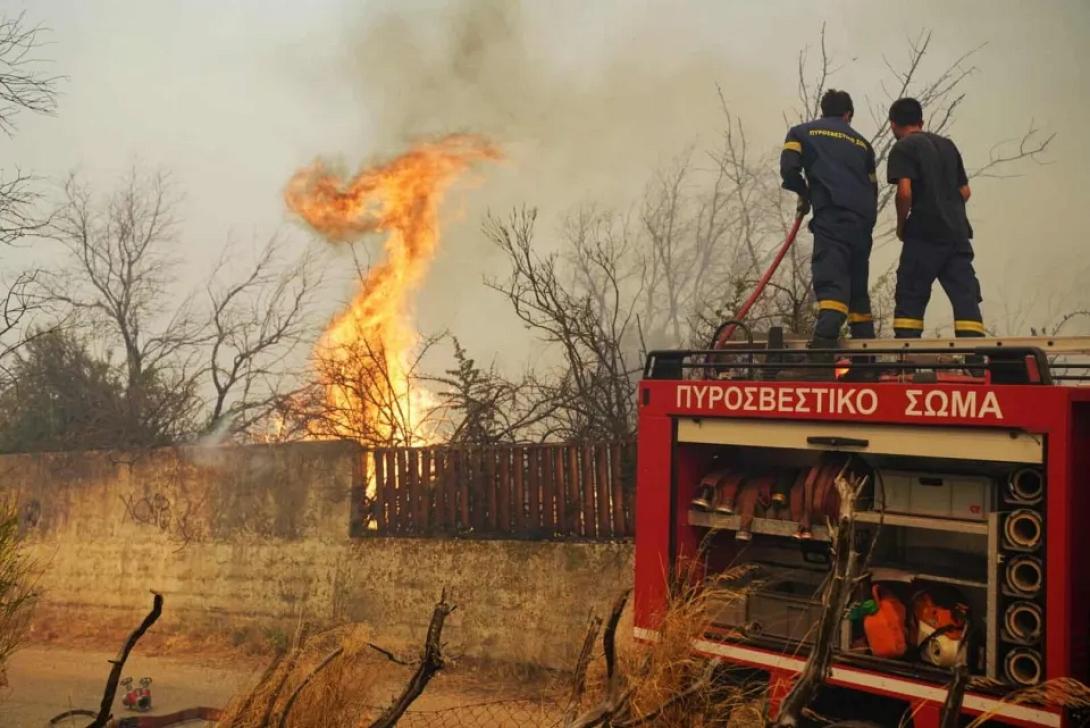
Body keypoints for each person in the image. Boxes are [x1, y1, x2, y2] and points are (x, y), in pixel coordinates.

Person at [780, 89, 878, 350]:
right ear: (848, 115)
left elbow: (789, 169)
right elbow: (873, 189)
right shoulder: (864, 145)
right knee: (858, 294)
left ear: (823, 110)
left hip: (831, 220)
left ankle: (822, 348)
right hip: (862, 226)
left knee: (832, 282)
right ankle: (866, 360)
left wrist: (803, 192)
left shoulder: (801, 132)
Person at [886, 97, 984, 338]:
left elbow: (905, 192)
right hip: (958, 234)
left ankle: (905, 361)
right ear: (921, 121)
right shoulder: (947, 146)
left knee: (911, 294)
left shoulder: (903, 147)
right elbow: (965, 192)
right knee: (965, 296)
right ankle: (974, 358)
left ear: (893, 125)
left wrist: (901, 226)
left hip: (924, 233)